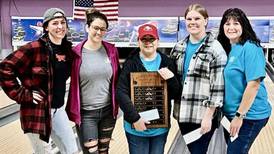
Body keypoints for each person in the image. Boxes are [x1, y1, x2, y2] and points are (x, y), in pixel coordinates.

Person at [0, 8, 79, 154]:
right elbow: (4, 68)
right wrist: (22, 94)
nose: (60, 27)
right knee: (43, 152)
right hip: (37, 111)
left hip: (59, 110)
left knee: (72, 150)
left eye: (63, 23)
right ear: (46, 27)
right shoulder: (34, 48)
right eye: (55, 23)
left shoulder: (67, 50)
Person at [170, 4, 227, 154]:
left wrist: (208, 117)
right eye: (189, 19)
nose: (192, 22)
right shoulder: (179, 47)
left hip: (202, 115)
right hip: (182, 113)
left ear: (206, 21)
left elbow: (218, 88)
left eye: (197, 18)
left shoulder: (215, 49)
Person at [116, 23, 181, 154]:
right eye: (144, 39)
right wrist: (135, 119)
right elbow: (121, 93)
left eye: (151, 39)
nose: (148, 42)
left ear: (158, 41)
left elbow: (176, 93)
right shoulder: (131, 63)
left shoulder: (167, 62)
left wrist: (172, 79)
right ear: (138, 41)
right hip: (136, 128)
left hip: (160, 128)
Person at [217, 8, 272, 154]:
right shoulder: (229, 48)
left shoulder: (251, 48)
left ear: (244, 25)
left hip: (249, 116)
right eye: (227, 23)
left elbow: (253, 85)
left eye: (236, 23)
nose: (231, 27)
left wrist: (239, 116)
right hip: (229, 114)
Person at [66, 8, 120, 154]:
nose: (99, 32)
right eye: (96, 28)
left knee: (104, 151)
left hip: (108, 112)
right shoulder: (75, 53)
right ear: (87, 27)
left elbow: (119, 79)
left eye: (103, 29)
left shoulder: (111, 51)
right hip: (86, 114)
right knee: (91, 152)